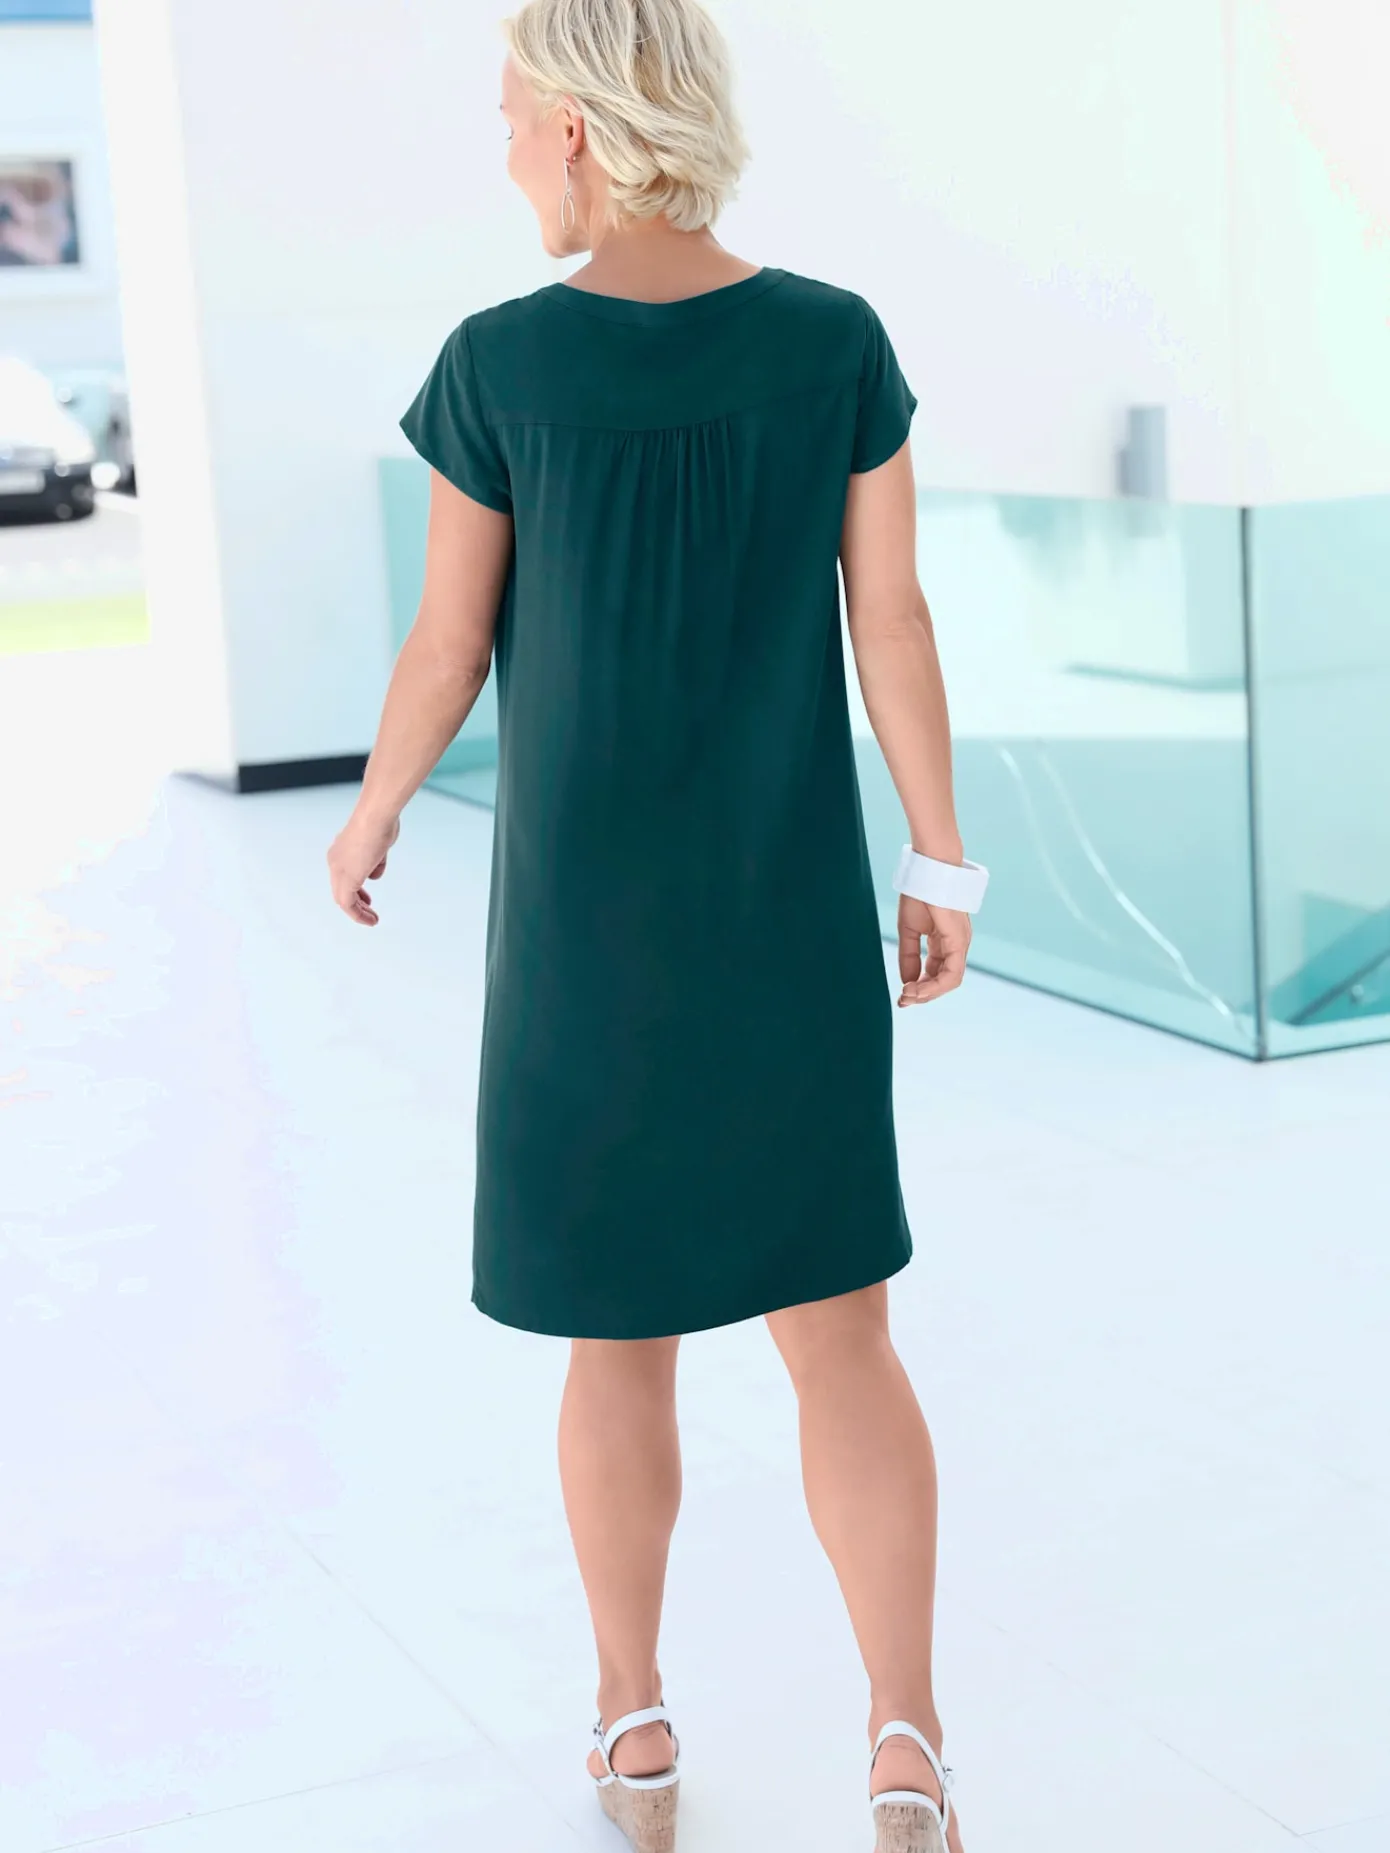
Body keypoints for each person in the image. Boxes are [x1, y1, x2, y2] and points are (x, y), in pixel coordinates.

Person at [326, 3, 986, 1847]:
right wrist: (937, 859)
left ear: (576, 130)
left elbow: (448, 643)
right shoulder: (833, 341)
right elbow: (892, 620)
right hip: (786, 919)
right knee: (840, 1337)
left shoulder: (498, 365)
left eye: (508, 116)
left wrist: (371, 810)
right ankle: (905, 1737)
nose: (501, 151)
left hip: (582, 945)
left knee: (614, 1344)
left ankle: (631, 1726)